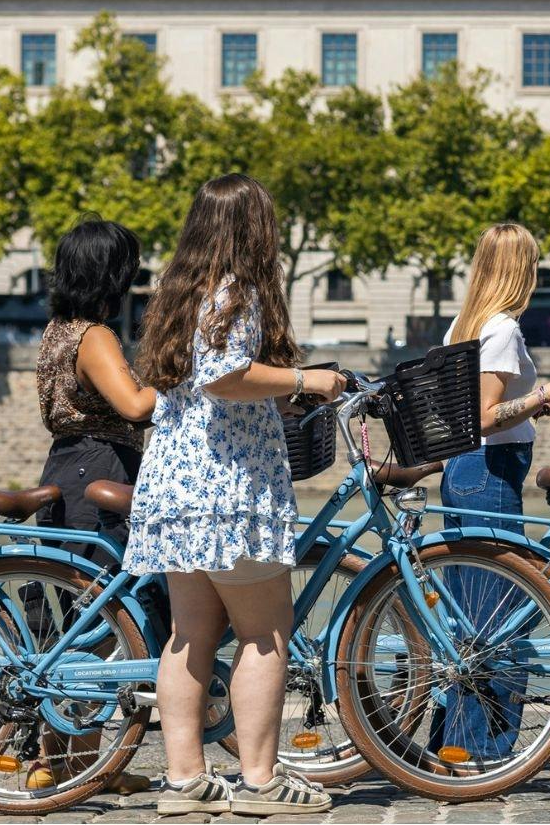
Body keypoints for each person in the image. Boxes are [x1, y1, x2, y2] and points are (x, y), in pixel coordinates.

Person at [124, 174, 346, 818]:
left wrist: (279, 391)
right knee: (264, 634)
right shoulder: (236, 291)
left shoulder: (180, 293)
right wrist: (307, 380)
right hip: (230, 489)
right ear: (254, 229)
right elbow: (226, 376)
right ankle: (260, 781)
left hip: (178, 485)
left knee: (189, 636)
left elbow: (201, 380)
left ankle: (184, 781)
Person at [434, 223, 550, 758]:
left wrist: (539, 404)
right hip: (488, 472)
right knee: (497, 623)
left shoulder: (465, 324)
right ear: (520, 270)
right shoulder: (502, 328)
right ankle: (480, 752)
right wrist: (546, 392)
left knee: (473, 617)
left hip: (465, 471)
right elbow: (485, 417)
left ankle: (453, 743)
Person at [29, 217, 155, 794]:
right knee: (101, 624)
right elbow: (133, 406)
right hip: (100, 470)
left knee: (72, 627)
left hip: (64, 469)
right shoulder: (95, 336)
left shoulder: (57, 330)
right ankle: (83, 767)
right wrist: (187, 384)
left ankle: (63, 762)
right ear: (111, 274)